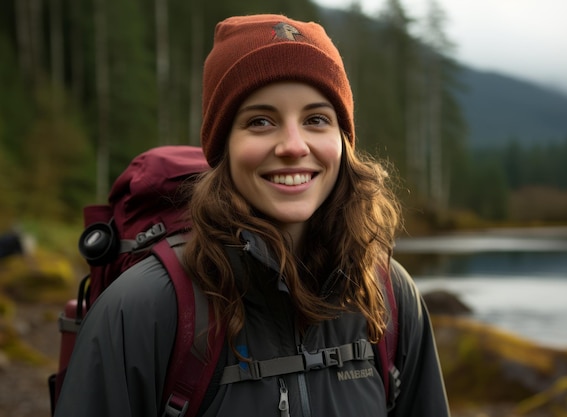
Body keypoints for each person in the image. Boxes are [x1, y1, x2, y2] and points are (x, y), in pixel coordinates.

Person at [54, 14, 450, 417]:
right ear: (223, 148)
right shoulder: (142, 309)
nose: (294, 146)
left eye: (316, 119)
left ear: (343, 142)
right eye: (260, 121)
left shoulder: (389, 296)